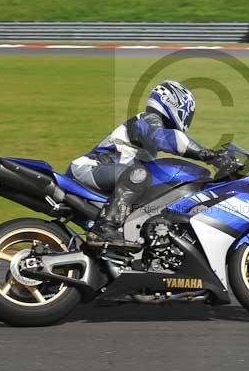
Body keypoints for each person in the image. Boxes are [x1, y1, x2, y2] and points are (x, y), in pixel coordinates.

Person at [68, 80, 225, 249]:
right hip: (90, 168)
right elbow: (164, 138)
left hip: (103, 173)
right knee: (139, 175)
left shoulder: (150, 122)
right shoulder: (147, 119)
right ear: (175, 103)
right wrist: (207, 154)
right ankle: (105, 228)